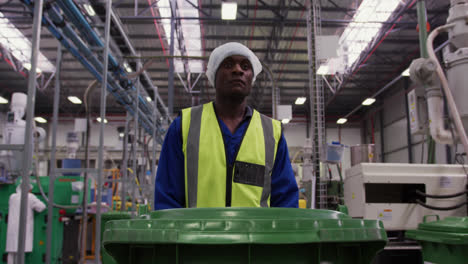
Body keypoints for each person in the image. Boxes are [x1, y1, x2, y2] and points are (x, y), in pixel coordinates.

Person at [154, 42, 298, 209]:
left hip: (256, 235)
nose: (238, 70)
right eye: (228, 64)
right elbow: (167, 197)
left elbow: (285, 200)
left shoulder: (272, 133)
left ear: (252, 77)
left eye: (245, 66)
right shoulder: (184, 126)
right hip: (199, 234)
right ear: (214, 75)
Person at [6, 183, 46, 264]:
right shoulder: (30, 197)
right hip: (23, 228)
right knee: (20, 252)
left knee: (11, 251)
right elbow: (42, 207)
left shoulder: (12, 196)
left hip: (12, 228)